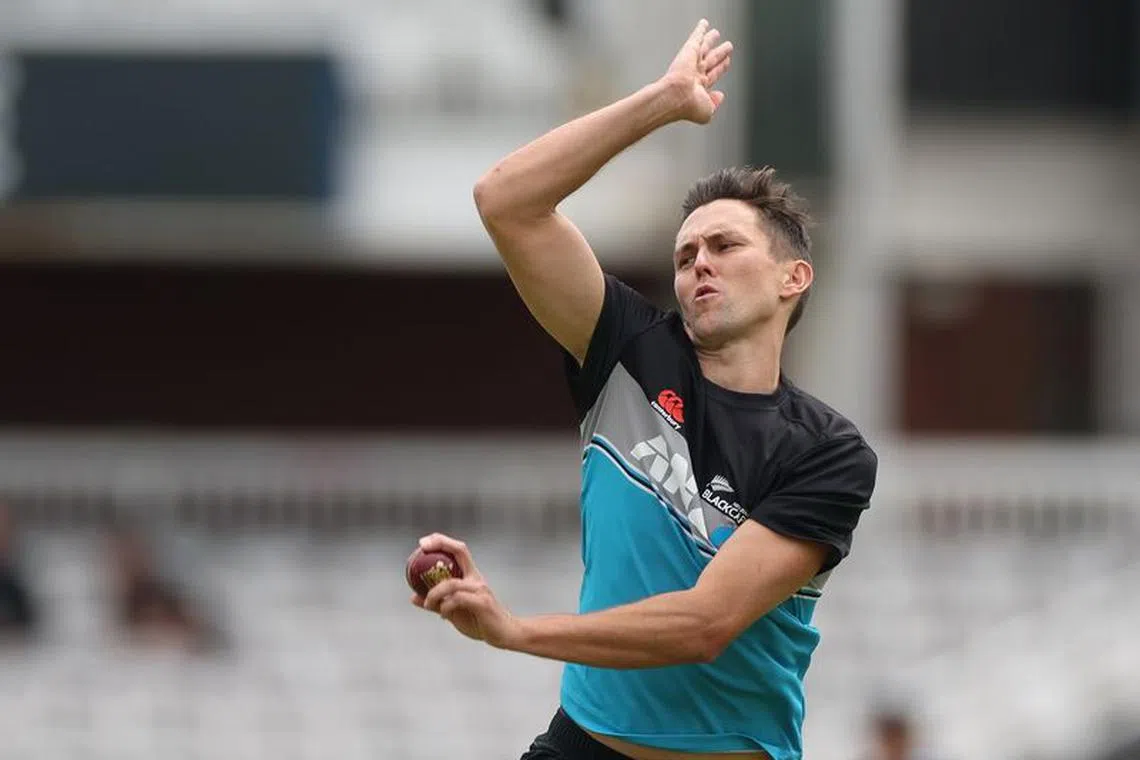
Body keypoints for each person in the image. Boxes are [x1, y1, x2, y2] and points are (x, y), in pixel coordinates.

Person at [412, 18, 878, 760]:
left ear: (793, 278)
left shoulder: (828, 452)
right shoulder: (628, 350)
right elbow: (505, 200)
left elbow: (704, 625)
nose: (699, 264)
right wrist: (663, 101)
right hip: (580, 744)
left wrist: (515, 630)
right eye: (685, 254)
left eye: (724, 245)